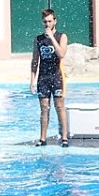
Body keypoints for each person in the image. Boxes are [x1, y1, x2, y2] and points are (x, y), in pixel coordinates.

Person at [30, 8, 70, 147]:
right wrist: (32, 81)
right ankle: (42, 138)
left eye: (49, 21)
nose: (47, 24)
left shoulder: (61, 36)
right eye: (45, 22)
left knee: (59, 107)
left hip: (57, 76)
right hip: (43, 78)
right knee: (44, 108)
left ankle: (64, 137)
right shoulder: (38, 39)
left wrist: (52, 38)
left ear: (55, 21)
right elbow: (35, 60)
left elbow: (61, 54)